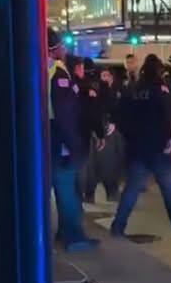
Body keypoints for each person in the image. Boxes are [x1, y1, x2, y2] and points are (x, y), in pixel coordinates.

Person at [111, 54, 171, 243]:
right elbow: (168, 117)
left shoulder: (132, 90)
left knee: (131, 190)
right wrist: (169, 139)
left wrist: (130, 138)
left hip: (137, 149)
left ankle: (117, 227)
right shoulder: (161, 90)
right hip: (159, 150)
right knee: (170, 192)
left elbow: (121, 116)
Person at [47, 28, 99, 252]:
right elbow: (65, 114)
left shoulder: (37, 67)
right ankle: (75, 239)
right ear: (54, 48)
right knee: (66, 188)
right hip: (58, 140)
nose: (65, 50)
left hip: (44, 138)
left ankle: (62, 233)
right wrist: (74, 145)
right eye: (62, 45)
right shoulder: (57, 73)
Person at [67, 55, 106, 204]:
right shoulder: (86, 88)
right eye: (81, 67)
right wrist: (100, 134)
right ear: (77, 68)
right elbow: (93, 114)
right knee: (85, 167)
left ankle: (76, 199)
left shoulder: (68, 84)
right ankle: (83, 197)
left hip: (67, 133)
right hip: (82, 133)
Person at [83, 67, 125, 203]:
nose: (104, 78)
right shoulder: (97, 91)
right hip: (99, 130)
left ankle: (111, 192)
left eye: (107, 75)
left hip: (110, 130)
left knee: (109, 164)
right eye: (102, 75)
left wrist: (114, 122)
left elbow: (121, 110)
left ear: (112, 77)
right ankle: (91, 194)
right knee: (96, 165)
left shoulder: (118, 91)